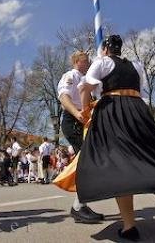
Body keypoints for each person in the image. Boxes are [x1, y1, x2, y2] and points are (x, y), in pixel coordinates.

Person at [77, 35, 155, 240]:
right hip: (138, 111)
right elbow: (140, 91)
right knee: (152, 159)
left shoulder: (102, 62)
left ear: (106, 49)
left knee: (119, 164)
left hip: (113, 111)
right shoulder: (136, 66)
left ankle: (129, 225)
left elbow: (86, 87)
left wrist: (84, 110)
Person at [57, 50, 104, 223]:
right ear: (77, 61)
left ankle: (81, 204)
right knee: (87, 160)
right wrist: (76, 113)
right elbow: (64, 96)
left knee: (88, 161)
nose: (88, 63)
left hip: (82, 121)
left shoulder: (85, 79)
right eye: (85, 61)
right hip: (73, 120)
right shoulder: (71, 75)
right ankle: (78, 206)